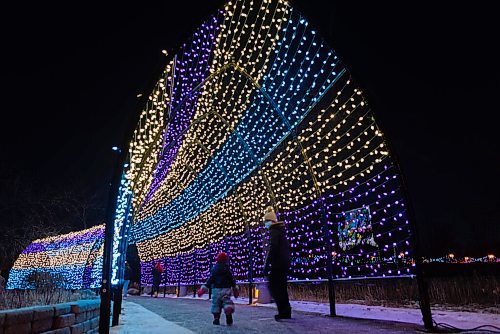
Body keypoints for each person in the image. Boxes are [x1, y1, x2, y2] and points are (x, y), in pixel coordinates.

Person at [263, 206, 292, 321]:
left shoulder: (274, 231)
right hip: (283, 262)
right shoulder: (280, 231)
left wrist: (267, 263)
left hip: (278, 264)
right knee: (281, 287)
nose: (265, 224)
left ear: (270, 221)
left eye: (266, 222)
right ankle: (286, 311)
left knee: (274, 286)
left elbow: (273, 247)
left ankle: (283, 311)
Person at [197, 252, 239, 326]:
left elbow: (210, 280)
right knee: (227, 301)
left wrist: (204, 289)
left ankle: (216, 319)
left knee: (216, 304)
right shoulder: (227, 270)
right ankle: (228, 313)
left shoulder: (214, 270)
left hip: (216, 290)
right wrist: (235, 288)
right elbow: (232, 280)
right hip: (226, 289)